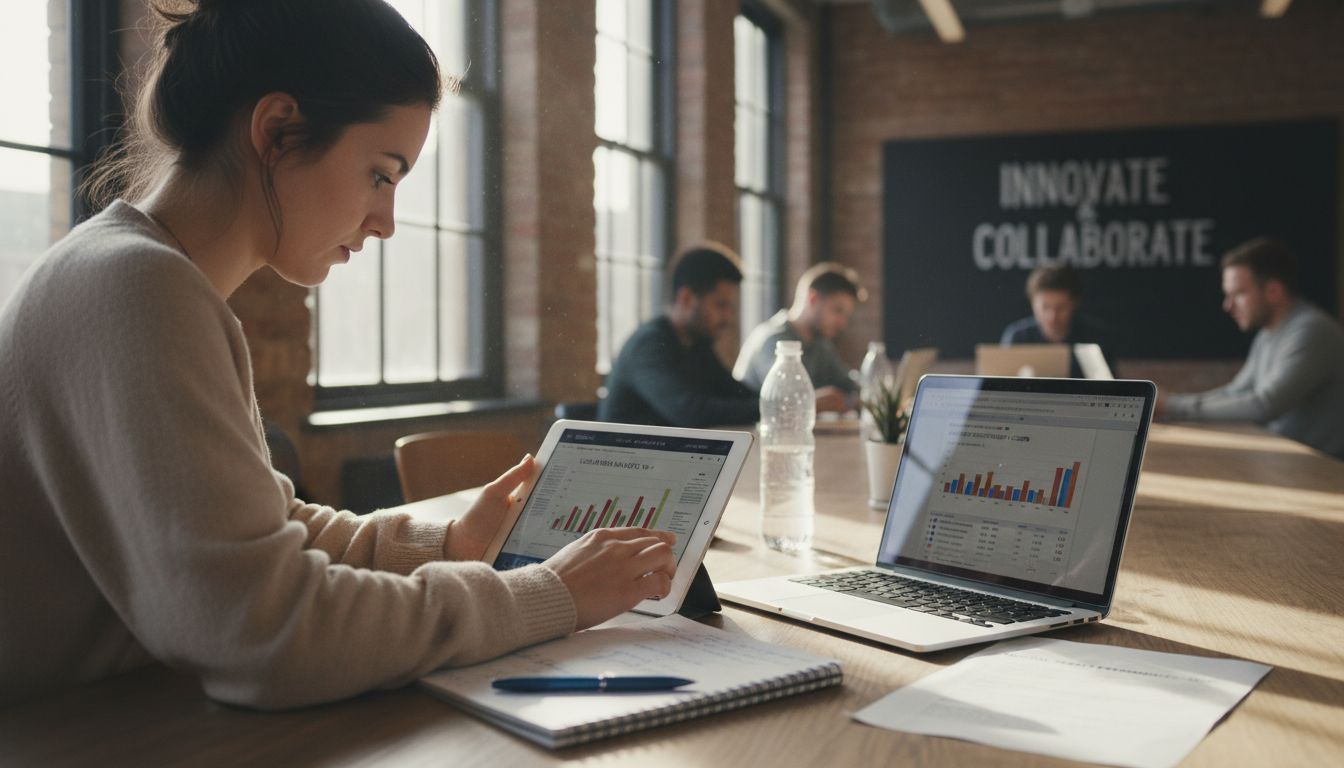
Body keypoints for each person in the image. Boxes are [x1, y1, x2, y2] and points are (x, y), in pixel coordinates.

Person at [0, 0, 675, 709]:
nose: (385, 222)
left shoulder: (141, 274)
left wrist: (446, 544)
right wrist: (549, 595)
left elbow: (257, 532)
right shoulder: (137, 290)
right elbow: (265, 631)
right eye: (381, 175)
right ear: (277, 130)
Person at [1157, 238, 1344, 459]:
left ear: (1274, 291)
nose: (1228, 305)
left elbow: (1265, 405)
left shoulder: (1311, 330)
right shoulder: (1268, 333)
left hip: (1324, 474)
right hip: (1285, 463)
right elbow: (1236, 391)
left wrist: (1172, 406)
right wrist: (1172, 404)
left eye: (1238, 294)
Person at [598, 244, 760, 427]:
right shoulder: (648, 344)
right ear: (686, 298)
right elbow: (691, 413)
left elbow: (736, 393)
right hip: (627, 454)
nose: (728, 318)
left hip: (668, 454)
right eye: (721, 305)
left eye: (731, 308)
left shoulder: (696, 344)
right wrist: (769, 406)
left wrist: (774, 401)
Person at [734, 262, 865, 413]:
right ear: (813, 298)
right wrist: (815, 402)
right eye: (837, 310)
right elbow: (781, 401)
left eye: (846, 315)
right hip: (754, 432)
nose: (842, 323)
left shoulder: (821, 345)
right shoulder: (774, 340)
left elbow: (849, 385)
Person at [1000, 264, 1115, 378]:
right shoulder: (1018, 337)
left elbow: (1109, 387)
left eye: (1061, 307)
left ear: (1074, 303)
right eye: (1045, 307)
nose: (1052, 316)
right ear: (1032, 303)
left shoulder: (1095, 337)